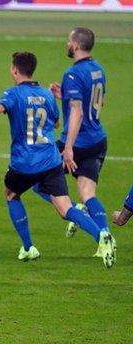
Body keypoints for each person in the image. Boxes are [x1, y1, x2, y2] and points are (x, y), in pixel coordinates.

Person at [0, 52, 115, 268]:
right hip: (51, 160)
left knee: (11, 194)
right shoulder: (47, 95)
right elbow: (56, 124)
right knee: (65, 207)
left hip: (25, 163)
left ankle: (28, 247)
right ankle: (101, 235)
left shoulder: (13, 94)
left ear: (14, 70)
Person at [33, 28, 111, 239]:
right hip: (98, 140)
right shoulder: (98, 69)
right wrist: (64, 95)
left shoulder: (73, 73)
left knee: (37, 180)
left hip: (77, 143)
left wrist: (68, 147)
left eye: (69, 40)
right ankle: (105, 236)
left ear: (76, 45)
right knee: (88, 193)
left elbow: (77, 111)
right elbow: (99, 102)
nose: (67, 43)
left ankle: (74, 210)